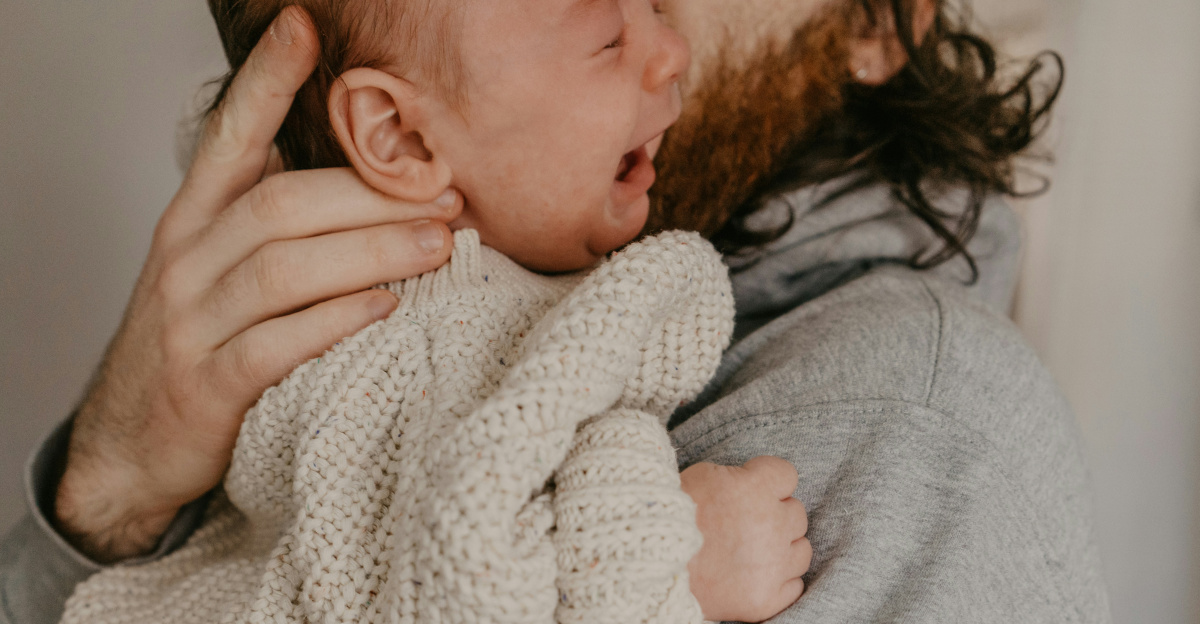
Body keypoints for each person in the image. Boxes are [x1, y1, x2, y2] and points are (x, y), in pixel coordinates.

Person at [1, 0, 1113, 622]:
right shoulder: (330, 352)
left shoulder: (907, 438)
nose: (653, 40)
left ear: (879, 21)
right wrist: (111, 493)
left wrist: (651, 558)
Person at [53, 1, 810, 621]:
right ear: (402, 136)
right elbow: (448, 584)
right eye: (608, 39)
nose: (671, 48)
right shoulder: (420, 341)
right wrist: (670, 560)